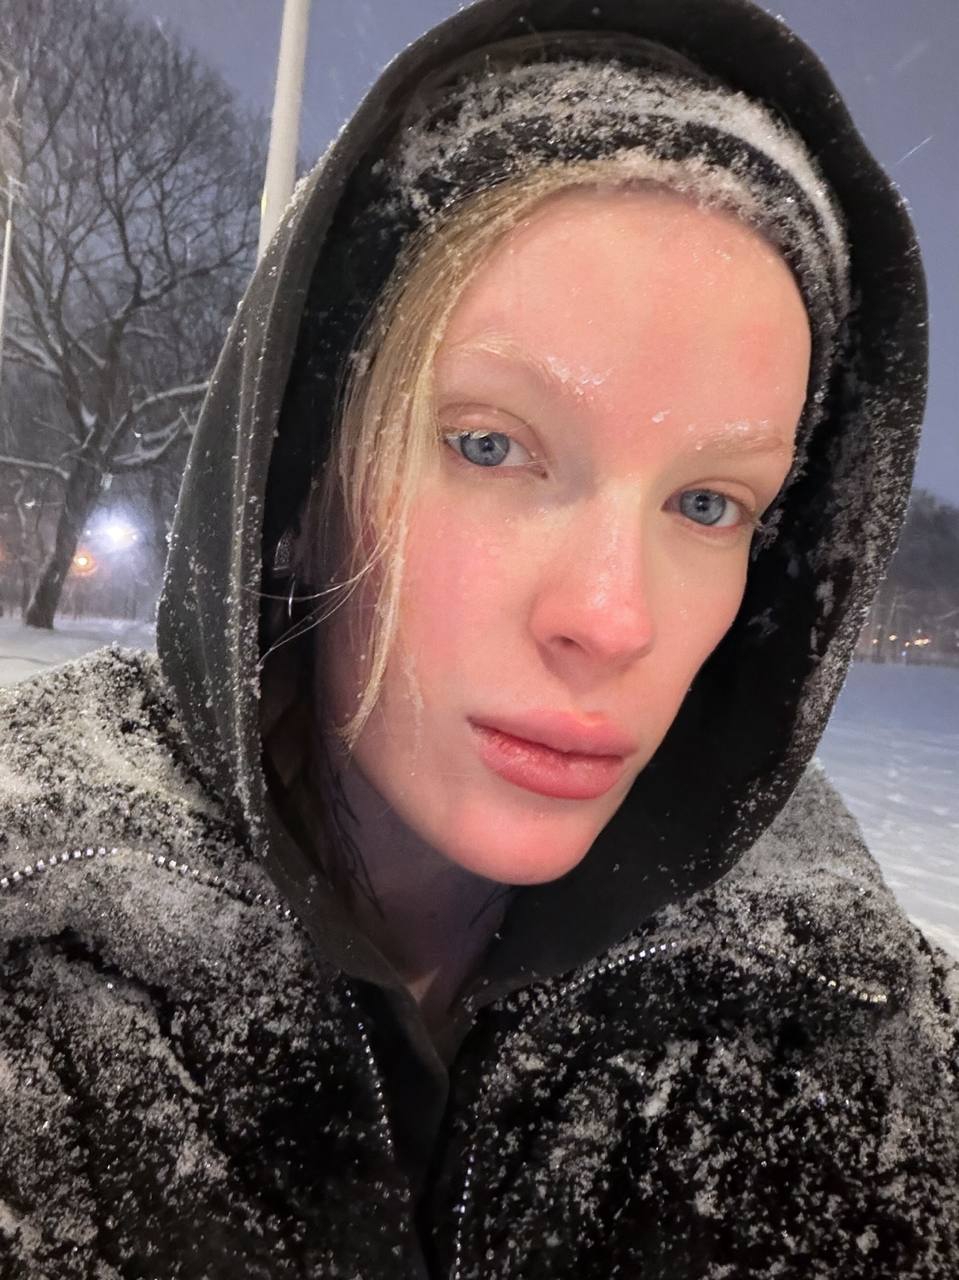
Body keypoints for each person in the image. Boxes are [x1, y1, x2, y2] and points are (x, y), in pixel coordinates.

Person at [0, 1, 956, 1276]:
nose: (611, 618)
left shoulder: (857, 1037)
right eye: (490, 444)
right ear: (301, 479)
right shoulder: (36, 948)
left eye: (706, 503)